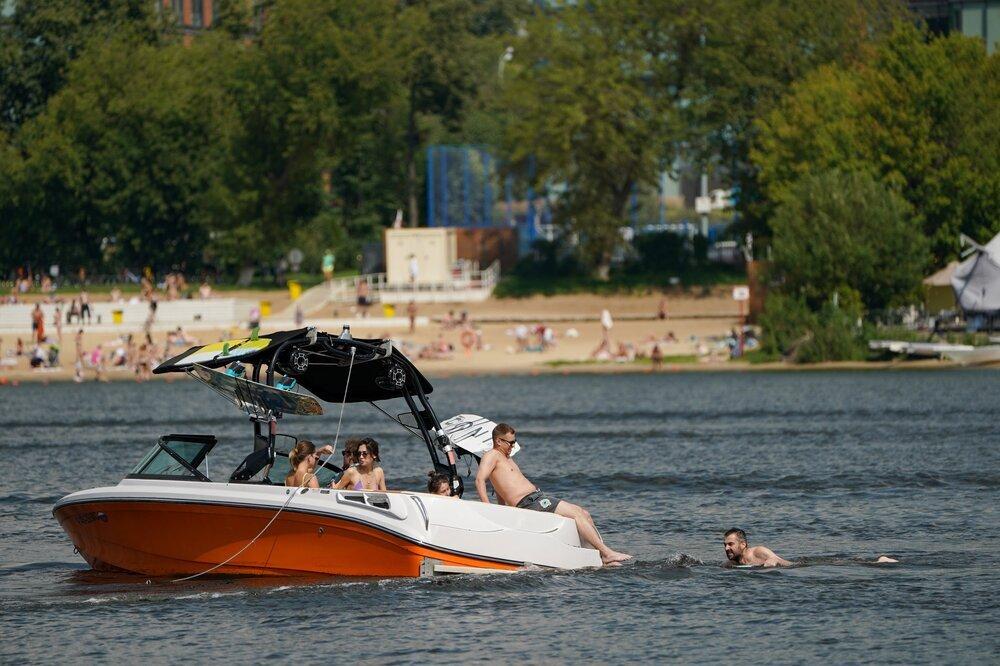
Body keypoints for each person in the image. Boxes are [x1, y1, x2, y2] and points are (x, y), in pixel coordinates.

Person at [475, 423, 631, 565]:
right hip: (528, 502)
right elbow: (480, 480)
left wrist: (502, 509)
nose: (513, 446)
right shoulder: (492, 455)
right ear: (499, 441)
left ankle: (598, 557)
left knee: (584, 513)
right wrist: (488, 508)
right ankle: (607, 553)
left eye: (514, 442)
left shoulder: (506, 458)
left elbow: (500, 488)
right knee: (576, 514)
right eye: (510, 443)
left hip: (536, 498)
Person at [723, 528, 792, 567]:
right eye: (725, 545)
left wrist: (774, 560)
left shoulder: (758, 551)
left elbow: (788, 564)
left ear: (743, 544)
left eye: (730, 544)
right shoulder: (732, 563)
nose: (726, 548)